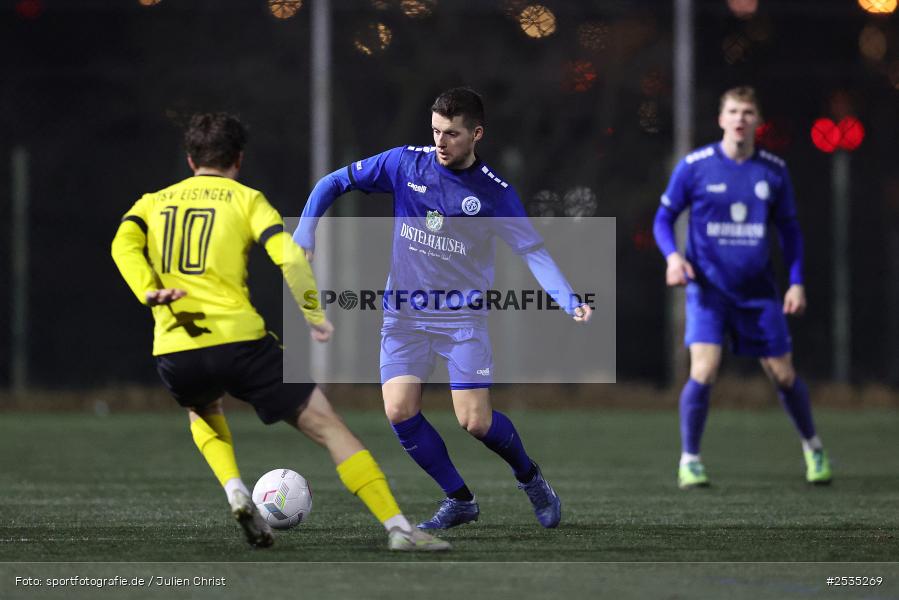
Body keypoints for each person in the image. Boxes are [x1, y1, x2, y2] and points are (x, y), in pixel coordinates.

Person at [111, 112, 449, 551]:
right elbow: (290, 258)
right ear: (239, 158)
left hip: (176, 347)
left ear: (191, 159)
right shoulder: (246, 199)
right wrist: (313, 314)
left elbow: (123, 242)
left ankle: (234, 488)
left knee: (202, 409)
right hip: (240, 341)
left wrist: (149, 290)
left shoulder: (151, 202)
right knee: (329, 427)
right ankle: (399, 528)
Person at [294, 88, 592, 530]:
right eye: (435, 131)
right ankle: (459, 500)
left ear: (476, 134)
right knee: (398, 411)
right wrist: (305, 231)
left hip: (461, 319)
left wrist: (567, 297)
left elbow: (532, 250)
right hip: (404, 315)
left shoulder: (495, 194)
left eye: (451, 134)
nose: (441, 142)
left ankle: (530, 478)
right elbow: (333, 182)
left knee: (474, 421)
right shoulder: (404, 163)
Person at [652, 86, 832, 489]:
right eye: (732, 110)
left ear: (757, 121)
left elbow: (790, 231)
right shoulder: (695, 166)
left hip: (758, 292)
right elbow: (663, 219)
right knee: (704, 369)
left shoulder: (772, 170)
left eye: (747, 112)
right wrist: (673, 257)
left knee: (783, 375)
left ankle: (813, 447)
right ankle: (690, 460)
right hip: (708, 292)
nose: (739, 118)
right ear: (721, 119)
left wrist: (797, 282)